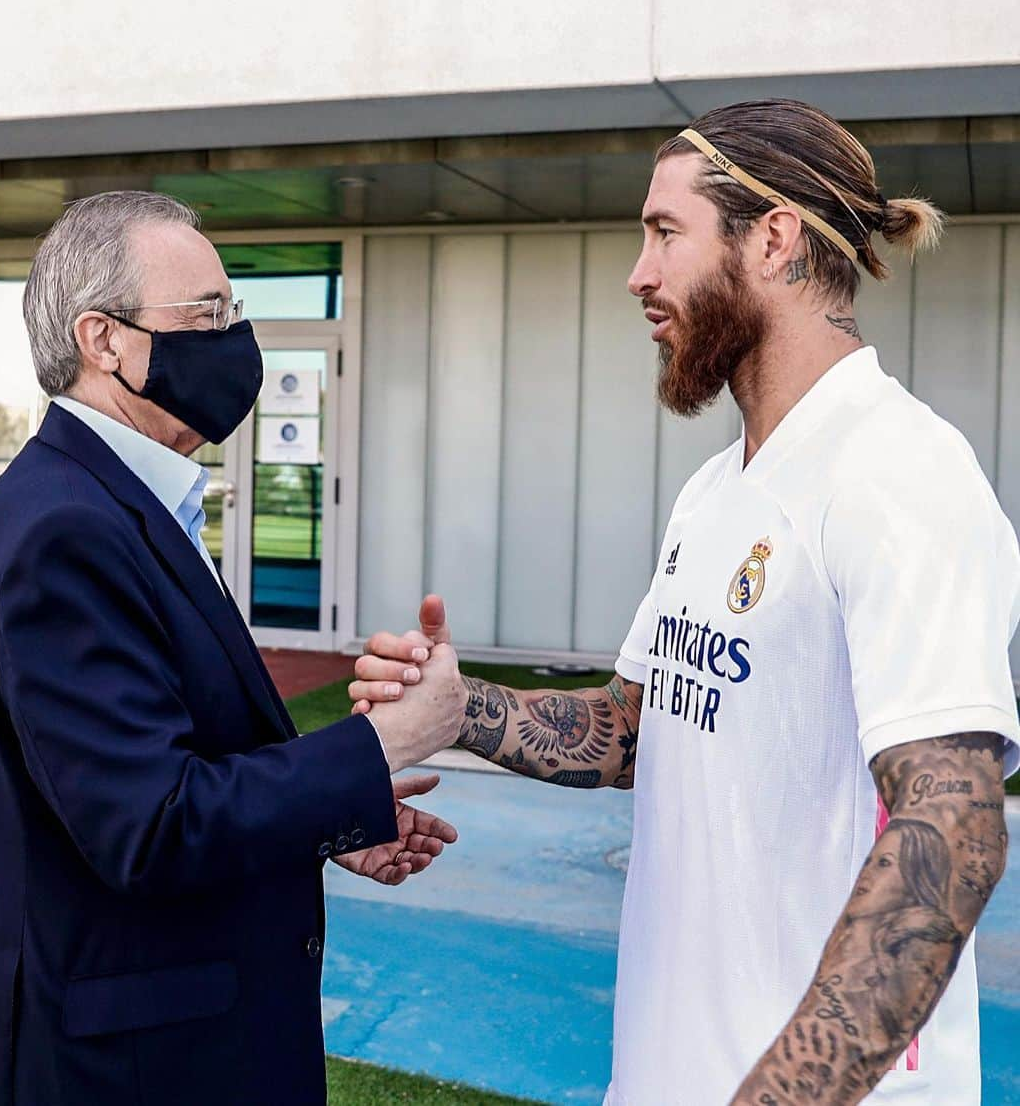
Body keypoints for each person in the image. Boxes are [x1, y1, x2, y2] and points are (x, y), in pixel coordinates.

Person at [350, 100, 1020, 1105]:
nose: (640, 273)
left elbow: (955, 821)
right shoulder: (716, 492)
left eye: (666, 233)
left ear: (774, 238)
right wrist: (464, 711)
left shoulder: (899, 472)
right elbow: (635, 730)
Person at [0, 192, 465, 1106]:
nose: (236, 339)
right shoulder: (64, 531)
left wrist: (333, 820)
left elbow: (170, 771)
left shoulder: (108, 504)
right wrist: (389, 742)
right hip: (122, 1071)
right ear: (104, 340)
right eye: (210, 314)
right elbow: (153, 826)